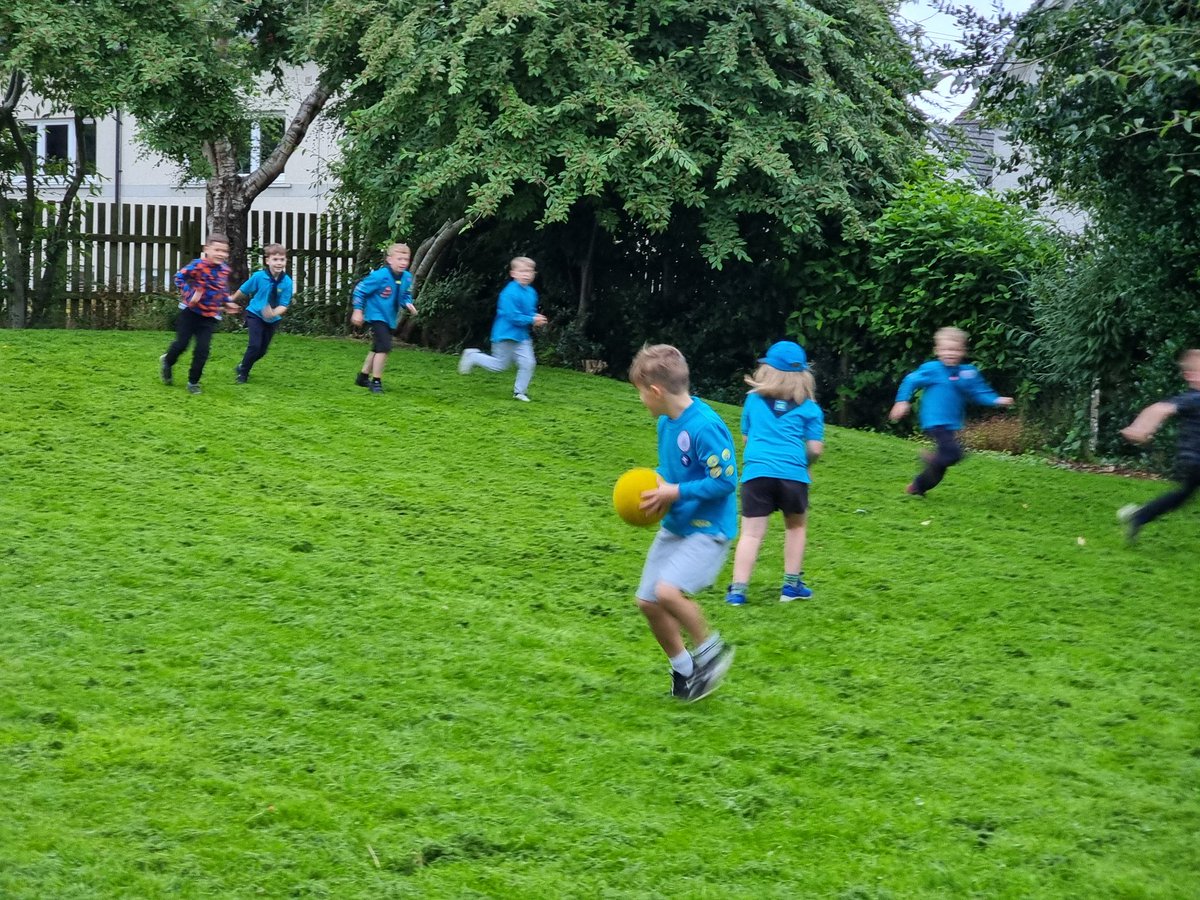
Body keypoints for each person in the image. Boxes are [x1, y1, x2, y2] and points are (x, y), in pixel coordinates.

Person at [628, 343, 737, 702]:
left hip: (709, 530)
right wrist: (655, 485)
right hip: (677, 526)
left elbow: (725, 481)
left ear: (656, 391)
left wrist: (673, 492)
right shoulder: (666, 423)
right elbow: (671, 472)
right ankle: (684, 669)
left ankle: (711, 650)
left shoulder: (705, 426)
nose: (641, 400)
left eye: (641, 393)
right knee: (647, 600)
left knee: (667, 592)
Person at [724, 341, 824, 606]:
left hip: (757, 475)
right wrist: (805, 466)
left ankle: (738, 590)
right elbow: (815, 448)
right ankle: (791, 587)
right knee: (796, 527)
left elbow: (746, 438)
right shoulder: (811, 409)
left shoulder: (753, 402)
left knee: (751, 534)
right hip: (793, 476)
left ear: (767, 371)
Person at [888, 326, 1014, 496]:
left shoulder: (968, 373)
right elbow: (911, 380)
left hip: (952, 424)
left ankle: (917, 487)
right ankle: (930, 459)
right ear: (937, 350)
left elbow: (979, 392)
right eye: (946, 349)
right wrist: (902, 401)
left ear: (963, 351)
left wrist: (996, 400)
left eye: (955, 350)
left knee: (940, 468)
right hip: (934, 421)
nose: (950, 353)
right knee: (954, 453)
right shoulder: (932, 369)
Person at [1117, 348, 1200, 541]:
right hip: (1195, 459)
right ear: (1190, 376)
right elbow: (1159, 409)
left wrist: (1140, 429)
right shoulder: (1194, 398)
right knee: (1182, 495)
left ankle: (1139, 516)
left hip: (1190, 462)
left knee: (1181, 496)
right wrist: (1140, 429)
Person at [457, 256, 547, 402]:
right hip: (505, 335)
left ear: (533, 274)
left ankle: (519, 392)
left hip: (522, 336)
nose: (526, 274)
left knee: (529, 363)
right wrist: (532, 319)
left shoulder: (531, 292)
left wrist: (534, 317)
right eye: (522, 271)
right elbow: (513, 317)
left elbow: (527, 312)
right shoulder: (509, 293)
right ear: (513, 274)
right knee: (499, 366)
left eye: (529, 271)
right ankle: (473, 356)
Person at [160, 233, 240, 394]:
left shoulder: (224, 270)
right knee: (182, 344)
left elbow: (222, 289)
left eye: (224, 251)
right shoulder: (198, 265)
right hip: (190, 313)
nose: (220, 254)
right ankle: (167, 362)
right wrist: (191, 294)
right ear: (207, 249)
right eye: (217, 250)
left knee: (202, 350)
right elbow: (178, 278)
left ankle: (193, 382)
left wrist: (228, 301)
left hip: (209, 317)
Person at [351, 243, 416, 393]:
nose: (403, 263)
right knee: (385, 347)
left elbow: (405, 294)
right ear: (389, 260)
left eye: (406, 260)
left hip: (389, 317)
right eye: (399, 259)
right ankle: (376, 382)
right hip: (376, 315)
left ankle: (362, 377)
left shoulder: (406, 277)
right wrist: (357, 311)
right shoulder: (379, 276)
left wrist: (408, 303)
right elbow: (360, 290)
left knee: (377, 347)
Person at [232, 243, 294, 383]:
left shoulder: (287, 282)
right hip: (255, 314)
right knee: (254, 345)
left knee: (261, 351)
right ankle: (243, 374)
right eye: (275, 259)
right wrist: (231, 300)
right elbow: (244, 290)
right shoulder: (259, 276)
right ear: (268, 261)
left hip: (273, 319)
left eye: (282, 259)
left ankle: (242, 365)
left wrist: (273, 313)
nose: (279, 263)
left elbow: (284, 305)